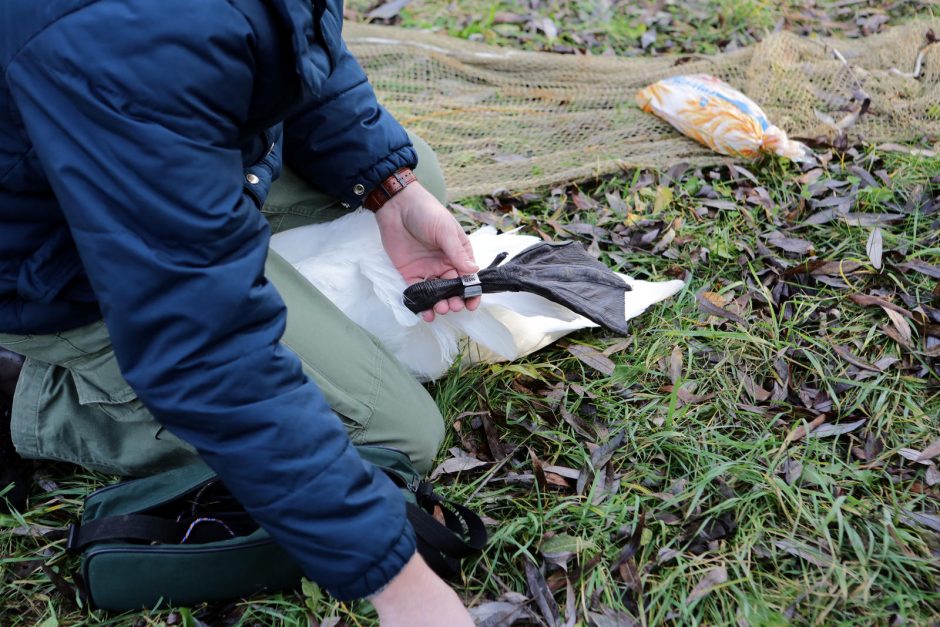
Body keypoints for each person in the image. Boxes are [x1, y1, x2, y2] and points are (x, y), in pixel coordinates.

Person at [0, 0, 479, 623]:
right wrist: (396, 578)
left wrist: (390, 189)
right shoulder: (118, 40)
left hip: (124, 148)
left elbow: (287, 33)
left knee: (416, 173)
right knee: (397, 435)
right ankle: (24, 392)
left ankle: (224, 250)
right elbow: (202, 345)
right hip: (45, 263)